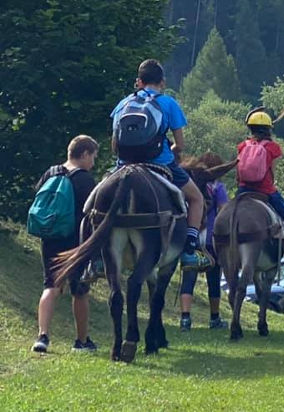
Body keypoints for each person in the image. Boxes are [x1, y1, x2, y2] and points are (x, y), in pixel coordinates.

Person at [110, 59, 209, 271]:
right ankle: (190, 251)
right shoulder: (169, 103)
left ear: (138, 82)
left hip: (124, 164)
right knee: (197, 198)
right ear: (162, 82)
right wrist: (169, 153)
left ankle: (96, 256)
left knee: (94, 203)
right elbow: (180, 144)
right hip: (160, 162)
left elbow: (114, 145)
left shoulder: (123, 104)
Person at [31, 135, 99, 353]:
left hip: (50, 238)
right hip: (76, 242)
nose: (93, 163)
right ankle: (81, 341)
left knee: (50, 286)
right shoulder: (86, 180)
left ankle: (42, 337)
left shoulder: (51, 172)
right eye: (93, 157)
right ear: (85, 154)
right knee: (79, 291)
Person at [236, 109, 284, 267]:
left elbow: (238, 169)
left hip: (243, 189)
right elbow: (272, 172)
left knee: (227, 211)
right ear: (268, 129)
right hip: (265, 190)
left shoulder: (242, 146)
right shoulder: (273, 147)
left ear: (250, 128)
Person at [179, 152, 229, 331]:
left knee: (189, 277)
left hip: (190, 235)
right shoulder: (218, 187)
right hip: (211, 238)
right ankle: (214, 318)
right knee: (214, 278)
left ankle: (185, 318)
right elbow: (223, 210)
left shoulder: (189, 183)